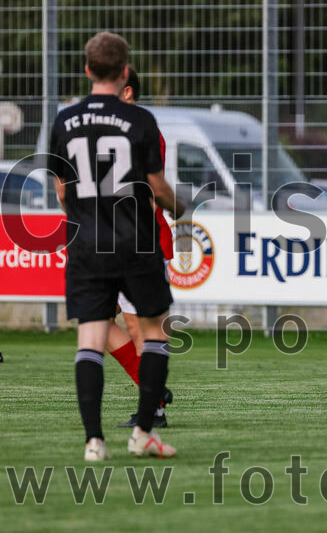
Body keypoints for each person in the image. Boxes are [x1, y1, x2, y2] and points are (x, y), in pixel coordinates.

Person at [48, 32, 186, 460]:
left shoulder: (63, 122)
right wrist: (178, 206)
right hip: (136, 241)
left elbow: (60, 192)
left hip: (86, 243)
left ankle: (94, 442)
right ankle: (144, 432)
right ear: (125, 70)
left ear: (87, 70)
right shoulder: (141, 120)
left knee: (89, 338)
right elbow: (158, 187)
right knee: (155, 331)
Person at [103, 66, 175, 429]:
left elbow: (151, 191)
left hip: (140, 243)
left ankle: (155, 407)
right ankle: (154, 391)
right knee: (98, 325)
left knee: (139, 327)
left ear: (127, 92)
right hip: (107, 242)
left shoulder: (144, 130)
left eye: (109, 86)